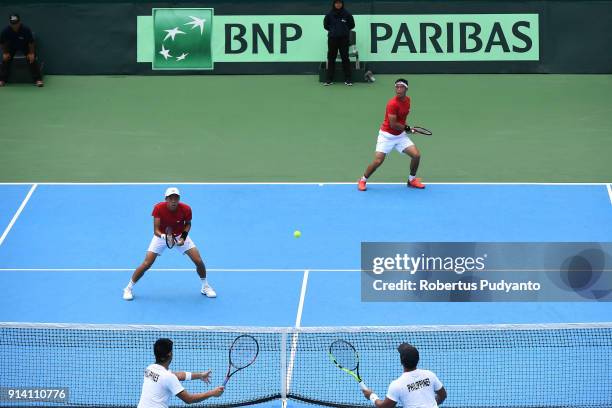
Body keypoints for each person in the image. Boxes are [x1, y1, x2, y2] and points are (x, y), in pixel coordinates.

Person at [123, 187, 217, 301]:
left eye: (176, 198)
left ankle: (205, 286)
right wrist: (165, 237)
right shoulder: (158, 208)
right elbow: (156, 230)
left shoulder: (186, 209)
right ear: (166, 199)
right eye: (171, 198)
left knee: (198, 260)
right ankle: (128, 288)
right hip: (161, 236)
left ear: (179, 199)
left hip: (179, 235)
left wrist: (183, 237)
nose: (173, 201)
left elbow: (188, 224)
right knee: (147, 263)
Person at [358, 79, 425, 191]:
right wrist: (408, 129)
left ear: (406, 89)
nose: (398, 89)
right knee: (378, 161)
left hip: (400, 136)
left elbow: (402, 120)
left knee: (416, 155)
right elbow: (393, 124)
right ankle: (362, 180)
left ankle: (411, 180)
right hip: (386, 136)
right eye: (396, 87)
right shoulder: (392, 104)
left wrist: (408, 129)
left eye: (401, 87)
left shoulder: (408, 100)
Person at [137, 338, 224, 407]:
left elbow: (177, 376)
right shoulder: (168, 377)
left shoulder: (149, 369)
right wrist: (212, 393)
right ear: (170, 354)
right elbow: (189, 399)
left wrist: (200, 375)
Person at [361, 343, 447, 408]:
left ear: (401, 362)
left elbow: (384, 406)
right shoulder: (430, 375)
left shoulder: (397, 385)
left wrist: (371, 396)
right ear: (418, 359)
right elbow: (443, 395)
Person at [0, 14, 43, 87]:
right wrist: (5, 53)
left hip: (25, 46)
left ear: (19, 22)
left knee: (32, 59)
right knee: (5, 59)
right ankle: (2, 80)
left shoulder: (26, 29)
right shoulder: (5, 31)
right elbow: (1, 43)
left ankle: (38, 80)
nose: (15, 25)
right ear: (10, 23)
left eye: (16, 23)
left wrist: (31, 53)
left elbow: (31, 43)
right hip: (11, 47)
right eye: (13, 23)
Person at [323, 0, 355, 86]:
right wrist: (334, 31)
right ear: (334, 4)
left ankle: (348, 79)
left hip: (344, 39)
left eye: (340, 3)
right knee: (331, 58)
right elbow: (325, 25)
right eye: (336, 3)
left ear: (342, 4)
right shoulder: (329, 15)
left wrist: (343, 30)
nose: (338, 4)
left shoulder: (347, 14)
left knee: (345, 58)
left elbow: (352, 25)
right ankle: (329, 79)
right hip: (332, 39)